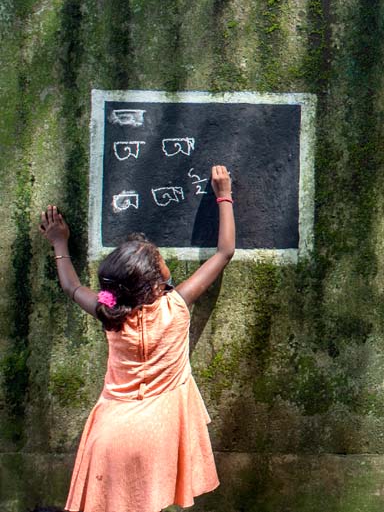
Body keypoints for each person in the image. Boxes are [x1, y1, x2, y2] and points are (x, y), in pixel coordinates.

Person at [41, 165, 237, 512]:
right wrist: (224, 195)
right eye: (159, 261)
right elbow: (224, 252)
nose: (163, 261)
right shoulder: (176, 305)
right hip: (157, 434)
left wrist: (59, 242)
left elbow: (71, 287)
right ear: (155, 284)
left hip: (110, 435)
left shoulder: (110, 315)